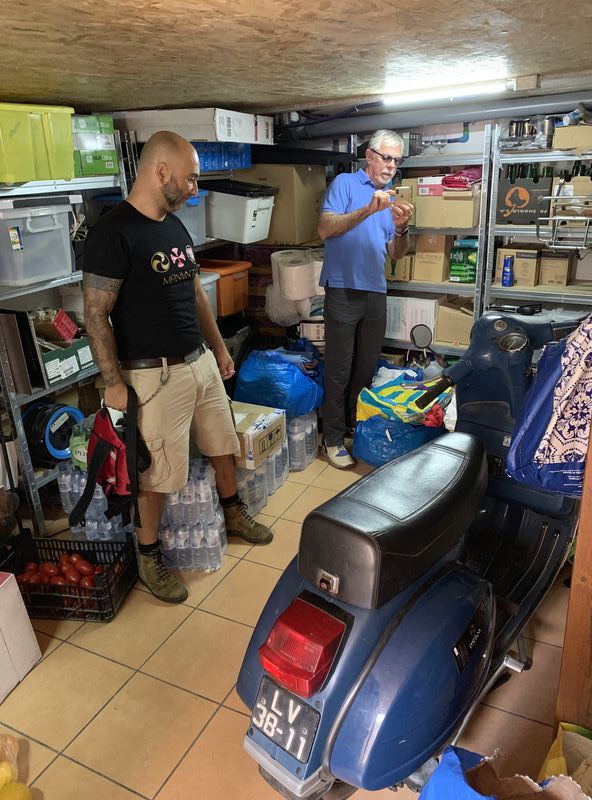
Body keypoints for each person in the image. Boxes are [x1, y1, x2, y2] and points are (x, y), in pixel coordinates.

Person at [82, 130, 273, 605]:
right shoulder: (113, 232)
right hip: (153, 373)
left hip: (198, 362)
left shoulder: (173, 225)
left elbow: (193, 292)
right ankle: (149, 556)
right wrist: (112, 383)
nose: (194, 189)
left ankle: (233, 512)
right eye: (190, 179)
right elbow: (94, 313)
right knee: (158, 472)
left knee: (222, 443)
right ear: (160, 170)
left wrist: (219, 348)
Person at [317, 129, 413, 469]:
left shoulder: (389, 198)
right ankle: (330, 438)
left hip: (375, 291)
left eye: (396, 161)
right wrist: (368, 210)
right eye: (386, 158)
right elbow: (325, 229)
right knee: (339, 368)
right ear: (369, 156)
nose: (390, 166)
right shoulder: (345, 184)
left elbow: (396, 254)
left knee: (365, 367)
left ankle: (349, 427)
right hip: (343, 289)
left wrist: (401, 228)